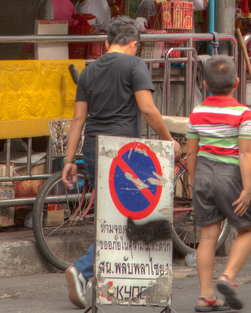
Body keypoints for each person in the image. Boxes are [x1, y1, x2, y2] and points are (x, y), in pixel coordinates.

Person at [63, 17, 171, 308]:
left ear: (107, 42)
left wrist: (69, 159)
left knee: (112, 217)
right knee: (125, 220)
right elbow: (148, 109)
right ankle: (83, 270)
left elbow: (78, 119)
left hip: (95, 150)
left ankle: (111, 279)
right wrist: (168, 140)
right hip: (124, 154)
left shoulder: (89, 71)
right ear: (134, 44)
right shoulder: (135, 65)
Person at [186, 55, 251, 313]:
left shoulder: (197, 112)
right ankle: (227, 277)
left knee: (207, 236)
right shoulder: (243, 113)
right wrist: (247, 188)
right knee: (248, 229)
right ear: (236, 83)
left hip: (203, 174)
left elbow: (191, 154)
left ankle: (206, 297)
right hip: (229, 176)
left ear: (205, 83)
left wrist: (195, 182)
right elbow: (246, 153)